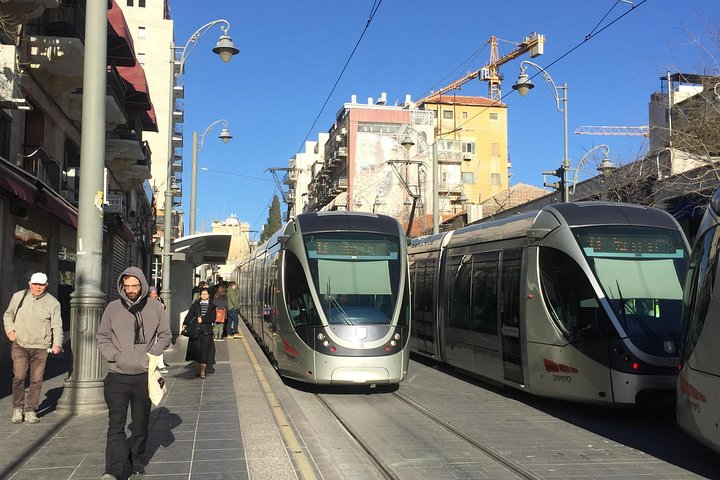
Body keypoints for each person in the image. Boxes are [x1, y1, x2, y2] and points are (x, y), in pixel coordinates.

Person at [97, 266, 171, 480]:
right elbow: (102, 336)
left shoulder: (156, 308)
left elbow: (165, 336)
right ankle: (113, 469)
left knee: (140, 423)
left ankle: (137, 459)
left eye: (134, 286)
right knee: (116, 424)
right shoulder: (112, 308)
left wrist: (150, 356)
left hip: (143, 376)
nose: (130, 290)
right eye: (126, 286)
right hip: (117, 375)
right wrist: (115, 356)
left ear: (142, 285)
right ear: (122, 286)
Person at [3, 272, 62, 424]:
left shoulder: (53, 303)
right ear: (29, 284)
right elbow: (8, 315)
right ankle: (18, 408)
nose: (38, 287)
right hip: (20, 344)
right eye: (35, 284)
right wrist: (10, 330)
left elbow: (57, 325)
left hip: (40, 347)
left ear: (46, 285)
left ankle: (30, 410)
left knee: (36, 380)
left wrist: (57, 343)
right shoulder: (19, 297)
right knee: (19, 377)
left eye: (41, 285)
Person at [182, 287, 216, 378]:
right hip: (195, 330)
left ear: (208, 295)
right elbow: (189, 315)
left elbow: (213, 318)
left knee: (204, 352)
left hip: (207, 332)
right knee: (196, 351)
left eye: (206, 294)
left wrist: (203, 320)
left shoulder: (212, 306)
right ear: (200, 295)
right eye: (202, 294)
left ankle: (203, 372)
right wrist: (185, 324)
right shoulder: (195, 305)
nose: (204, 295)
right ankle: (197, 369)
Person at [148, 286, 169, 374]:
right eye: (153, 293)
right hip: (149, 327)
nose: (155, 295)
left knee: (159, 344)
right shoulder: (147, 302)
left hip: (158, 326)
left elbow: (164, 308)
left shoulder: (159, 300)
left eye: (155, 293)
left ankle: (160, 365)